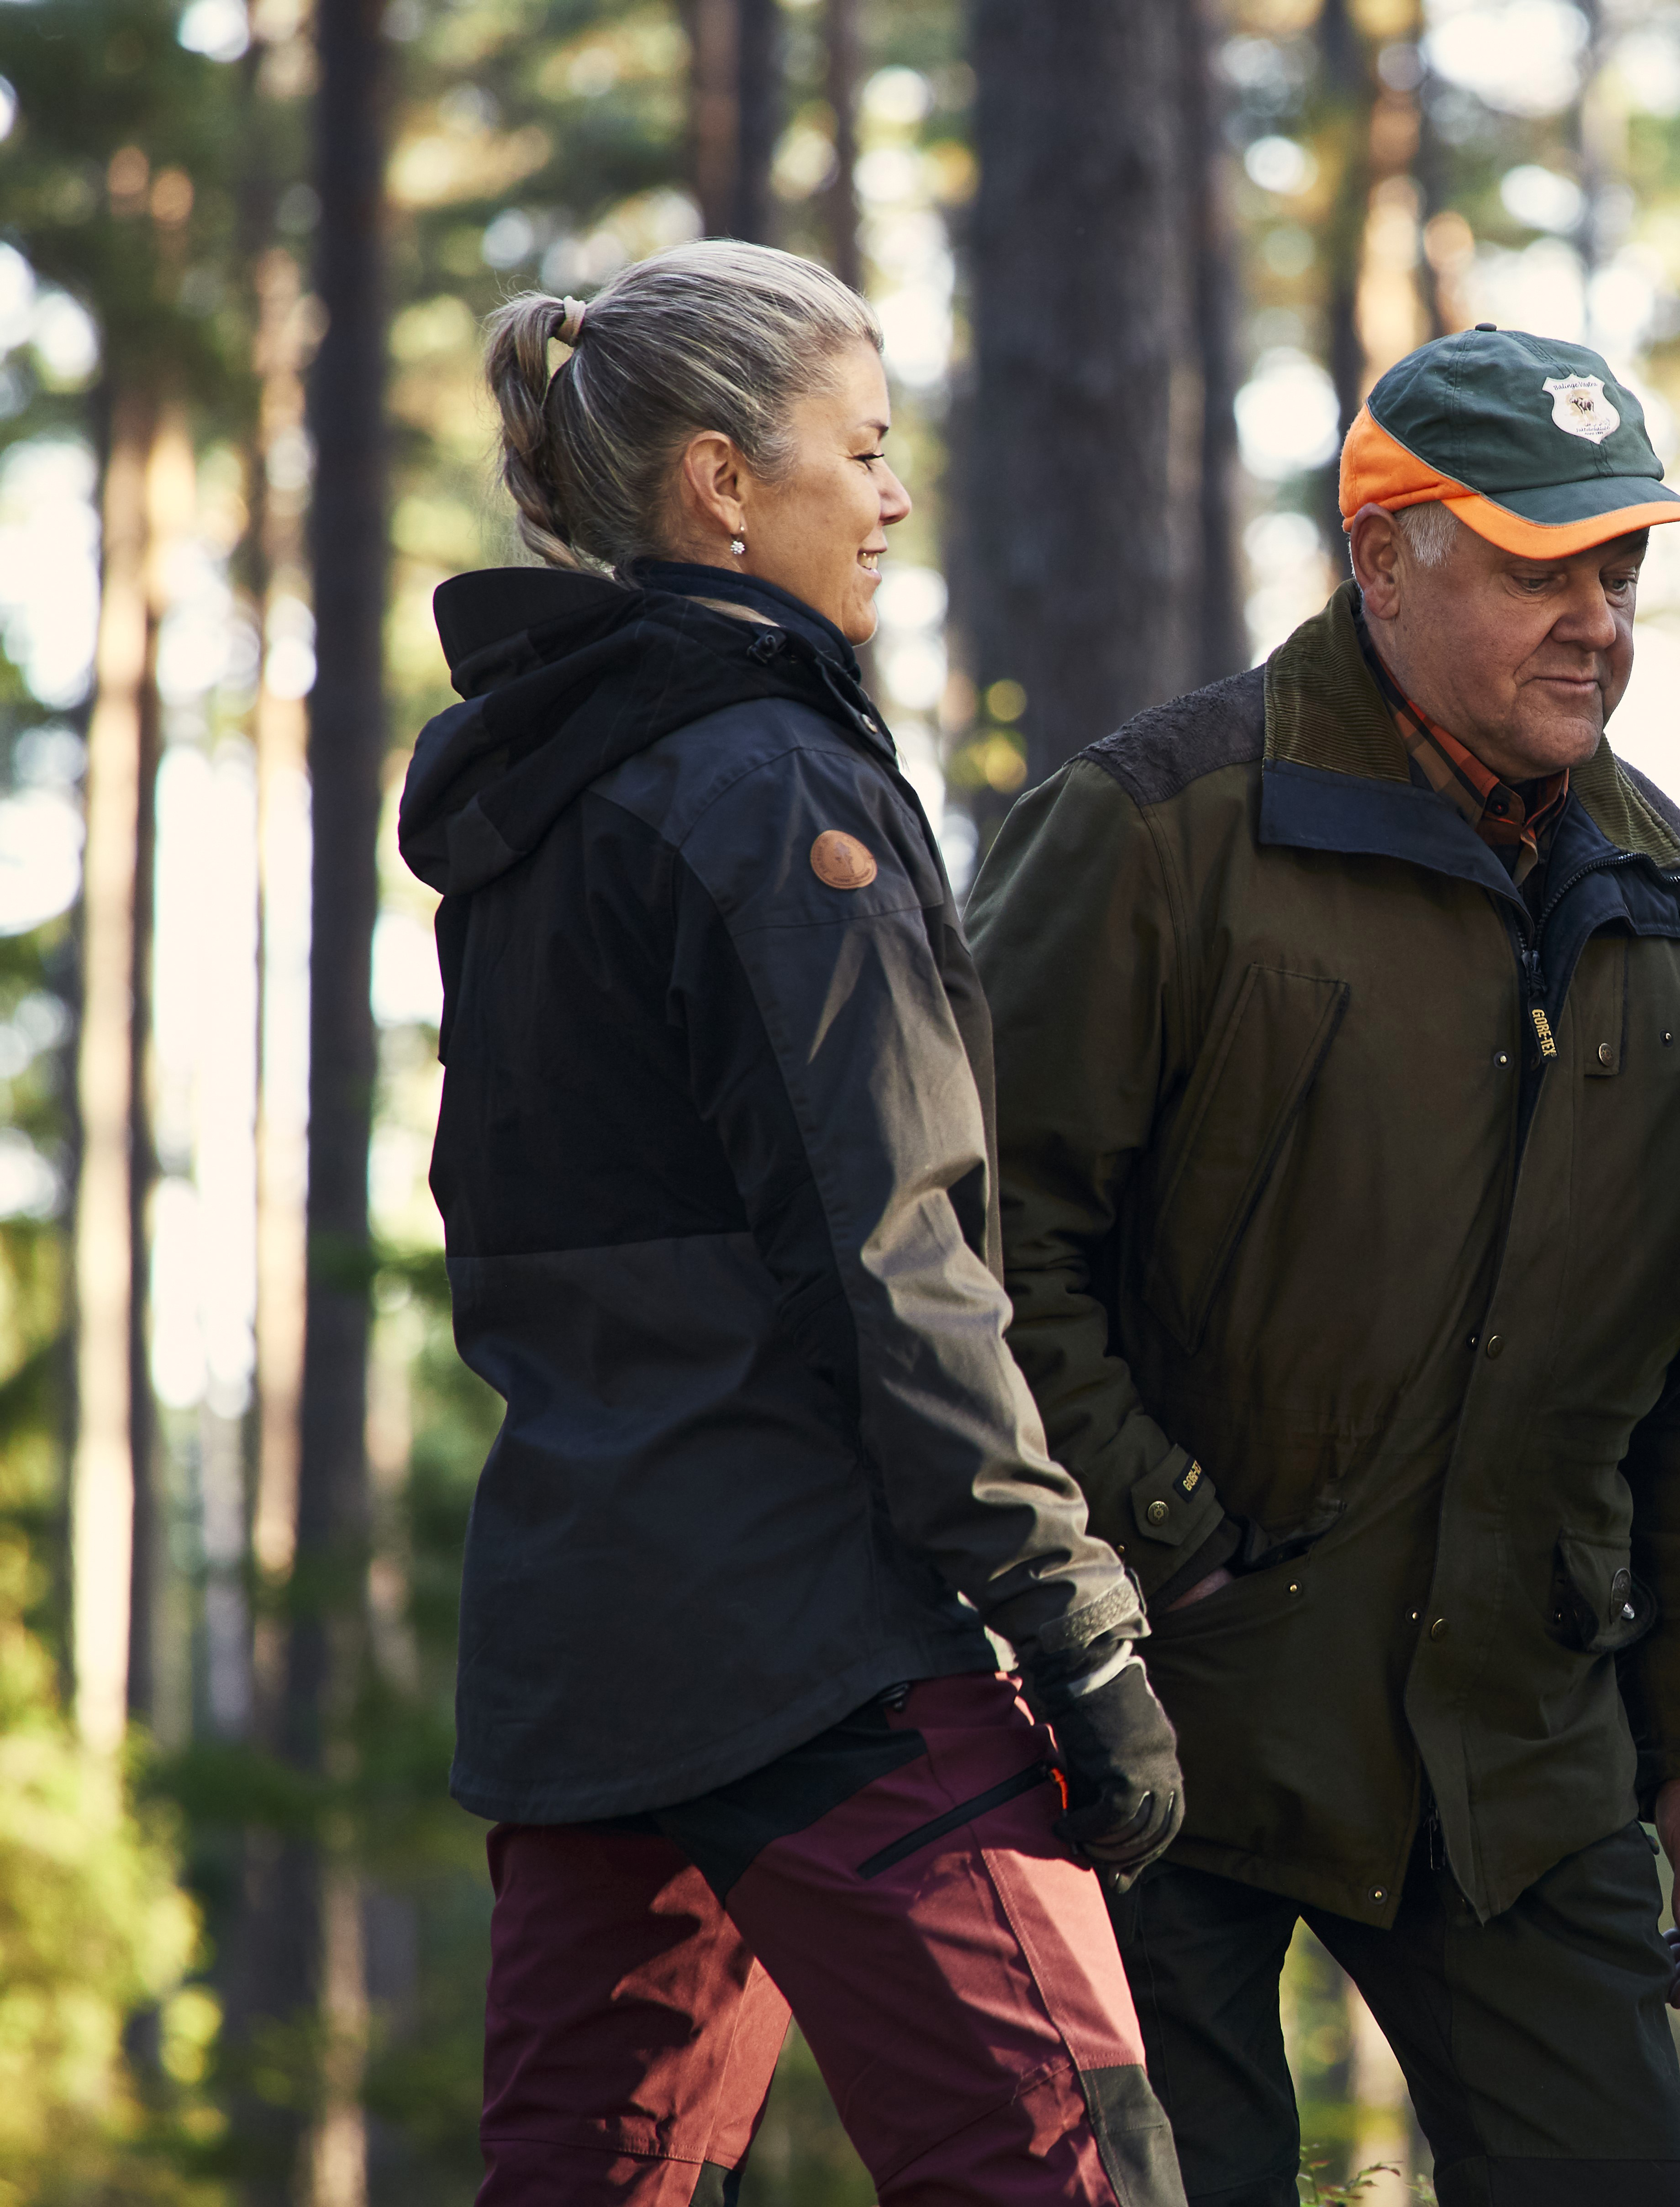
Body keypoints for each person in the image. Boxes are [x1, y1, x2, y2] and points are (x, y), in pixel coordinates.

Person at [404, 240, 1190, 2207]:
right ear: (722, 486)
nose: (897, 494)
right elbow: (894, 1261)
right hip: (834, 1640)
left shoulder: (535, 798)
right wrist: (1074, 1622)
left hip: (590, 1651)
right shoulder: (765, 786)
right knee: (1069, 2166)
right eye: (864, 447)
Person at [964, 325, 1680, 2207]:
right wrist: (1175, 1543)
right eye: (1539, 565)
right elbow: (982, 1250)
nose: (1600, 619)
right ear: (1383, 558)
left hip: (1526, 1743)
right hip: (1165, 1719)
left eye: (1623, 568)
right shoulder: (1153, 834)